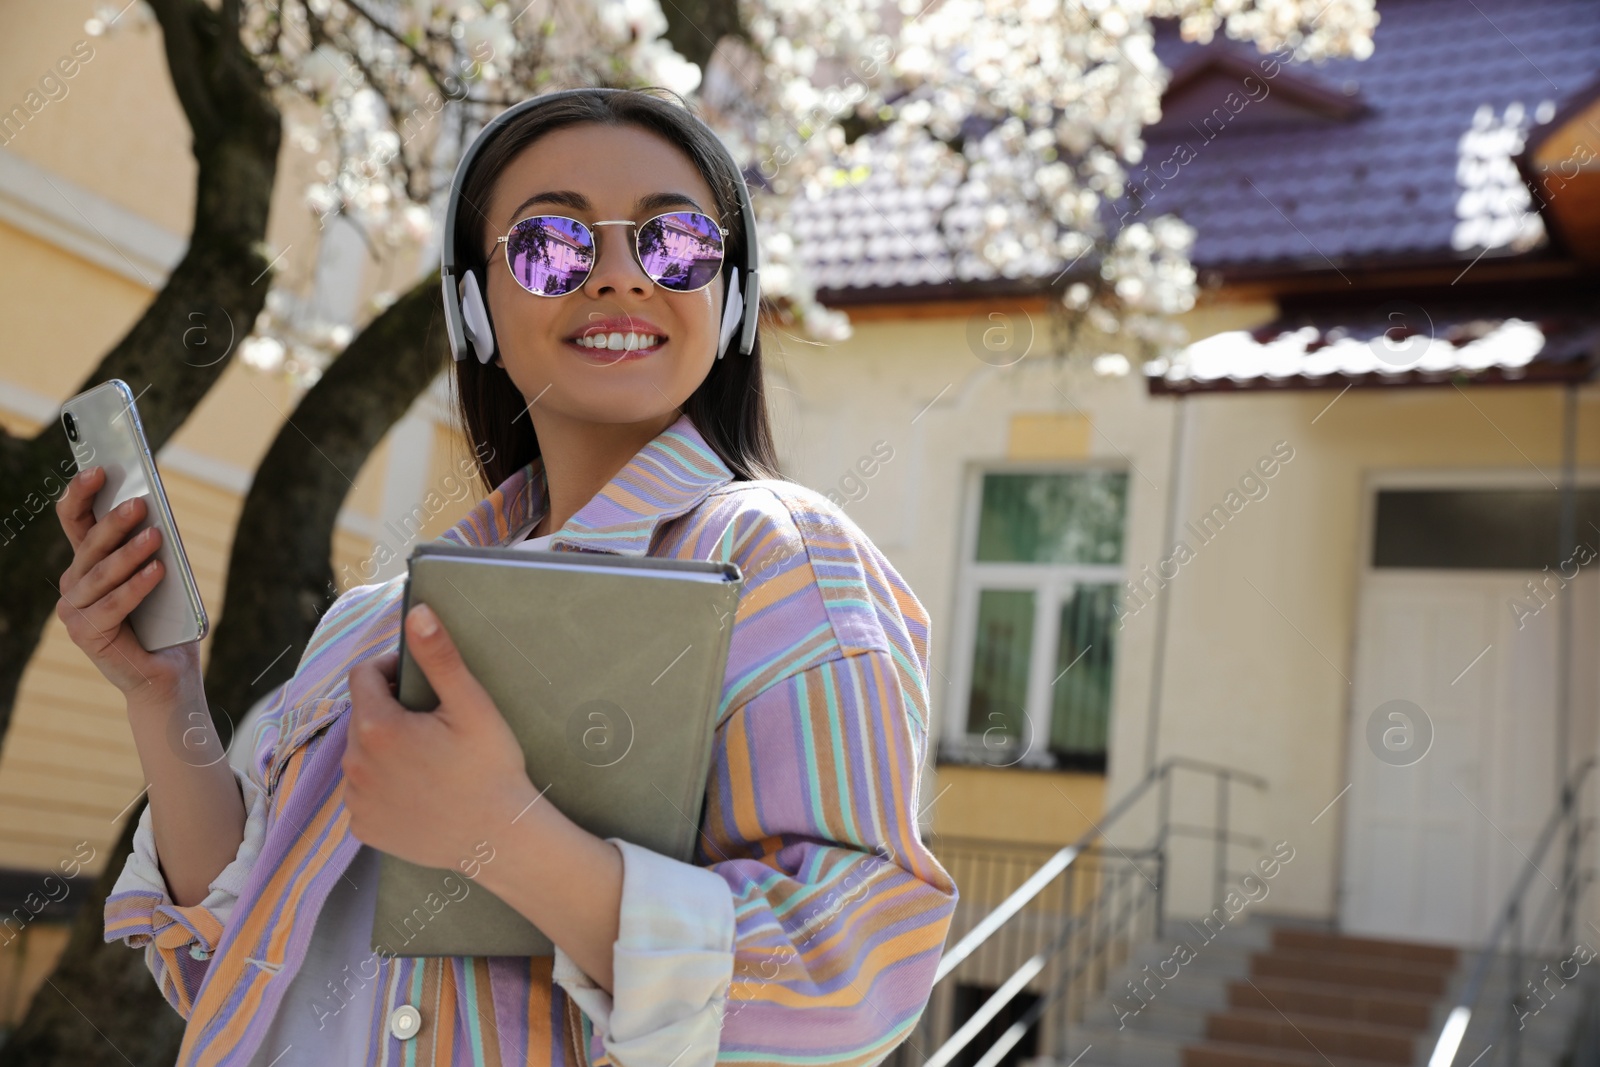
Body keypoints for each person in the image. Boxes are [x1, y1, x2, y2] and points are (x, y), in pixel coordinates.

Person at [55, 86, 957, 1066]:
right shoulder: (368, 624)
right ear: (472, 303)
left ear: (729, 296)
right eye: (552, 245)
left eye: (676, 243)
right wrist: (165, 691)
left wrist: (505, 836)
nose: (617, 278)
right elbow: (228, 963)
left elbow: (856, 978)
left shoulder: (779, 558)